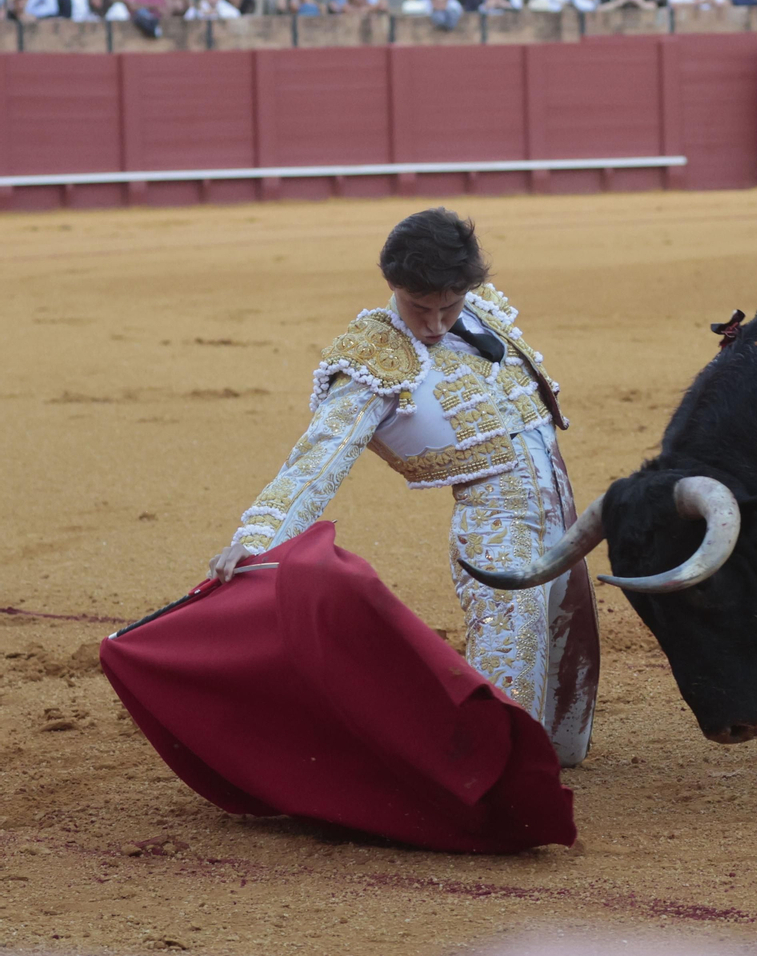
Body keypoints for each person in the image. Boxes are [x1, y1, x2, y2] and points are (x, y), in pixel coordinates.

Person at [209, 210, 598, 767]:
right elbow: (319, 459)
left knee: (567, 660)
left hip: (562, 513)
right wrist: (258, 535)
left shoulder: (484, 314)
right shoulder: (372, 360)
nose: (437, 323)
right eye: (421, 307)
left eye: (450, 306)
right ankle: (493, 775)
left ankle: (536, 760)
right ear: (393, 285)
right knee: (511, 649)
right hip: (497, 527)